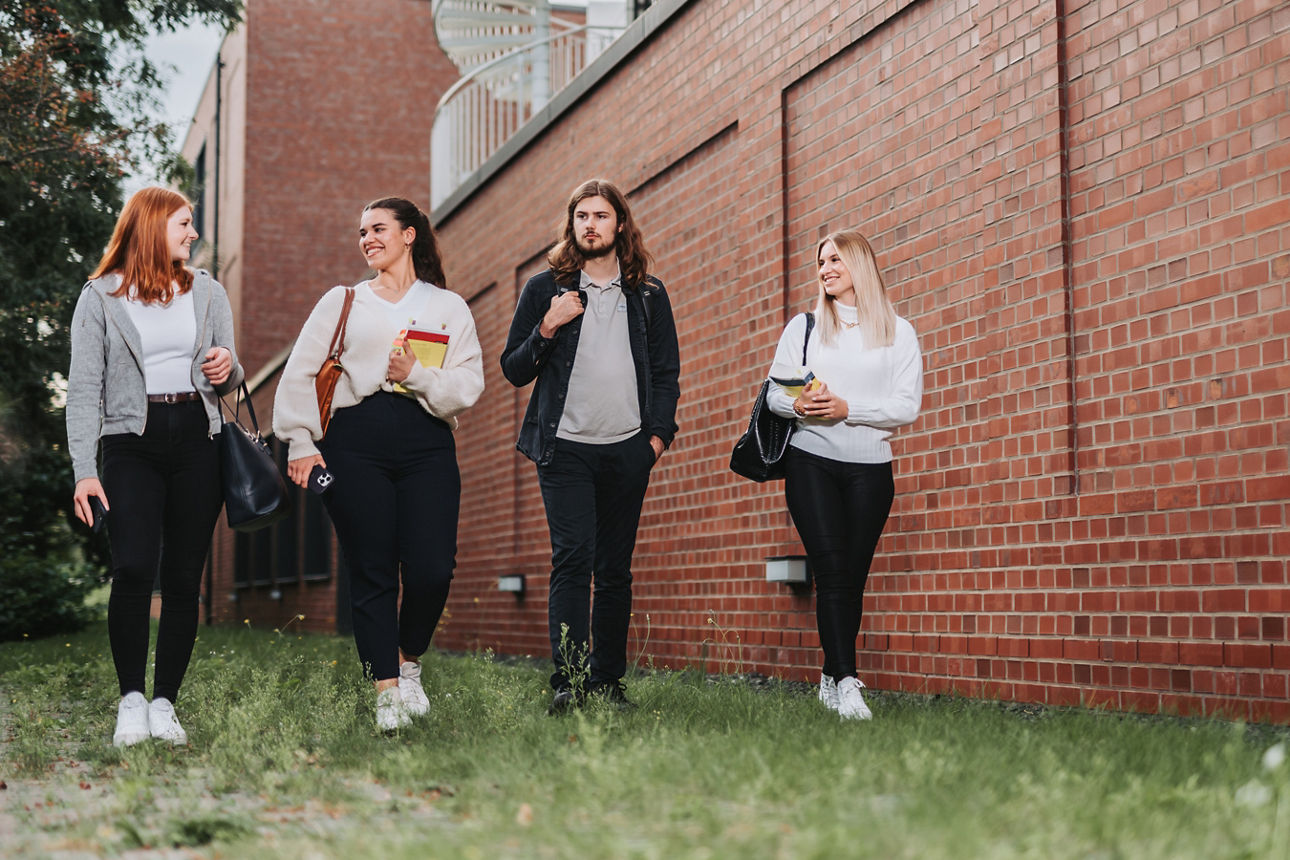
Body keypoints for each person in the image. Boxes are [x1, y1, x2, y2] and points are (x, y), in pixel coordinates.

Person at [273, 197, 483, 732]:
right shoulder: (342, 301)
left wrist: (417, 375)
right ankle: (386, 691)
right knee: (371, 565)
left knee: (434, 567)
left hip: (427, 440)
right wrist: (300, 441)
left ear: (409, 235)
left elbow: (467, 387)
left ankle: (408, 661)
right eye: (361, 231)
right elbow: (299, 373)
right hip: (354, 440)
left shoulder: (449, 307)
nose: (367, 238)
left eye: (379, 228)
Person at [66, 186, 244, 746]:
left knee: (185, 577)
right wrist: (82, 468)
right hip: (130, 442)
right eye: (184, 224)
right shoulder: (100, 297)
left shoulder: (209, 291)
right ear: (152, 225)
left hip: (199, 440)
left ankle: (166, 700)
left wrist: (227, 366)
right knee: (135, 567)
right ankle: (131, 701)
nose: (193, 234)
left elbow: (233, 379)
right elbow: (83, 390)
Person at [501, 178, 680, 714]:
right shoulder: (543, 289)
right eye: (582, 216)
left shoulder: (648, 294)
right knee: (572, 560)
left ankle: (607, 681)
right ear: (571, 224)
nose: (591, 225)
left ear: (619, 224)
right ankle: (569, 681)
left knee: (616, 569)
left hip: (628, 449)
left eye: (601, 216)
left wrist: (655, 439)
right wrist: (548, 328)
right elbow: (514, 369)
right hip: (566, 449)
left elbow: (666, 373)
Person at [765, 230, 923, 720]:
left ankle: (831, 676)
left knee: (851, 577)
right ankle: (848, 682)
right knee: (832, 570)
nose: (825, 267)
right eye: (820, 261)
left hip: (871, 469)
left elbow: (905, 407)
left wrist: (847, 408)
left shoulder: (899, 332)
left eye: (835, 258)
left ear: (860, 264)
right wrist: (799, 403)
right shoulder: (806, 327)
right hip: (811, 460)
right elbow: (773, 393)